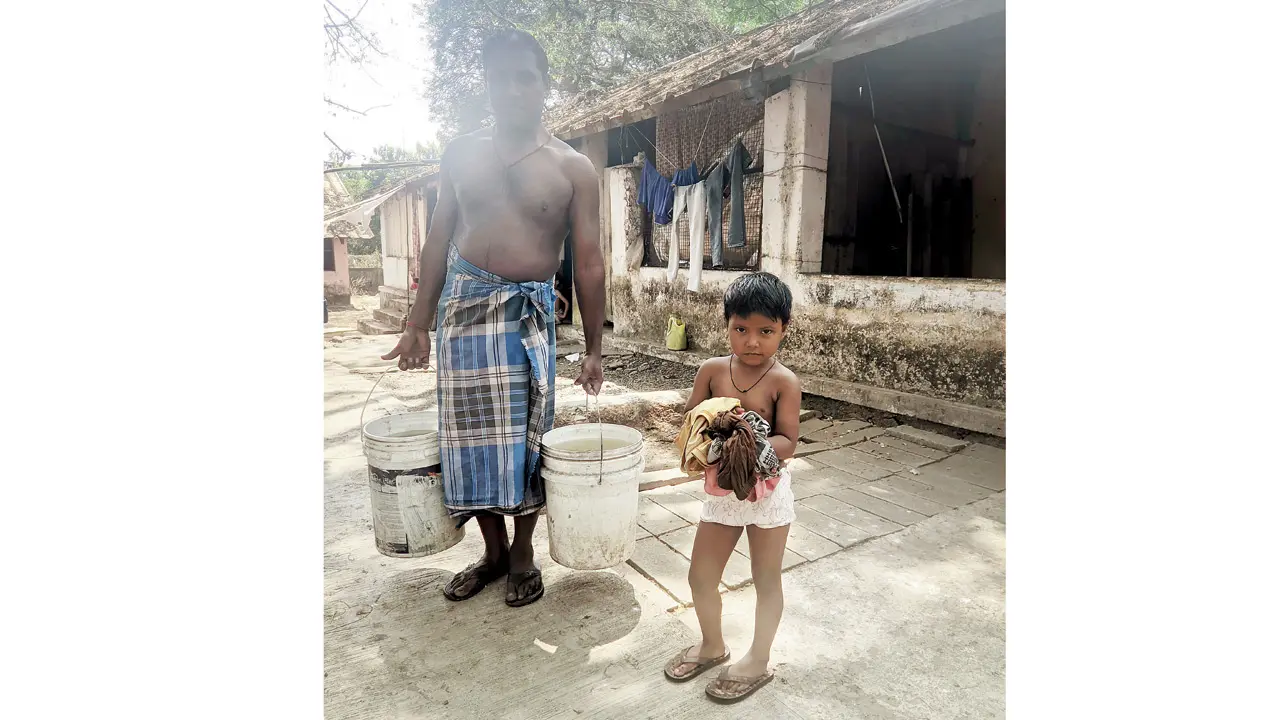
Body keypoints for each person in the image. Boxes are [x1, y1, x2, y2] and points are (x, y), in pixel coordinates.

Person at [380, 29, 606, 607]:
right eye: (499, 77)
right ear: (486, 85)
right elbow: (436, 238)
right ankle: (493, 551)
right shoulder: (461, 153)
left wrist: (595, 348)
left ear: (544, 85)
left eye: (524, 76)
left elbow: (589, 261)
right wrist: (417, 322)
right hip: (462, 312)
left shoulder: (573, 167)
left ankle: (524, 553)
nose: (511, 88)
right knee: (469, 439)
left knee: (529, 439)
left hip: (526, 318)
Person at [664, 272, 801, 703]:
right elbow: (692, 418)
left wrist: (754, 445)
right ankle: (712, 644)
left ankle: (758, 659)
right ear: (726, 326)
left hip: (766, 495)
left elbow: (788, 440)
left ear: (784, 330)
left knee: (766, 578)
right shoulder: (711, 371)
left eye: (766, 331)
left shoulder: (785, 382)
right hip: (723, 496)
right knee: (700, 575)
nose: (752, 342)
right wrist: (712, 436)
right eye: (741, 329)